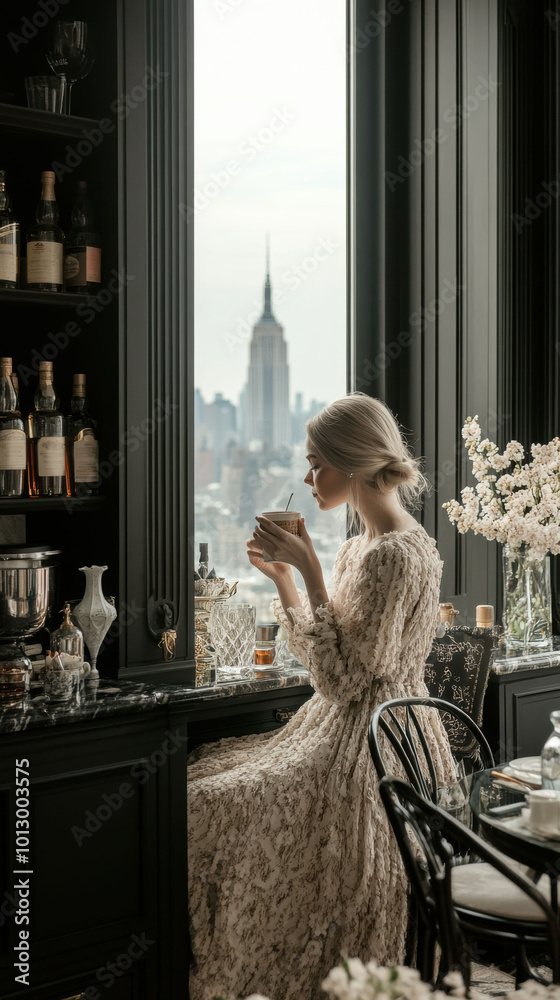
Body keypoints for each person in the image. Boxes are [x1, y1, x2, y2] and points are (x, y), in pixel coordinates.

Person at [187, 392, 453, 1000]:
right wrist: (288, 579)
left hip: (374, 746)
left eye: (315, 463)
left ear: (352, 463)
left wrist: (308, 571)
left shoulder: (393, 555)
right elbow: (331, 664)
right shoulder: (366, 546)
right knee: (201, 786)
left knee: (206, 805)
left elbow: (345, 680)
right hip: (340, 726)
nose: (307, 479)